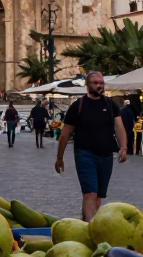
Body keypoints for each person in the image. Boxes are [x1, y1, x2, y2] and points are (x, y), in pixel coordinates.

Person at [55, 72, 128, 221]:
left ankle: (87, 222)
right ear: (88, 85)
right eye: (95, 82)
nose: (99, 85)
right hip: (85, 154)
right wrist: (59, 157)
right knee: (90, 193)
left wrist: (123, 147)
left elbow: (119, 127)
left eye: (101, 82)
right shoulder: (78, 106)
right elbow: (65, 134)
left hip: (106, 155)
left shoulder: (110, 104)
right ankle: (89, 228)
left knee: (99, 196)